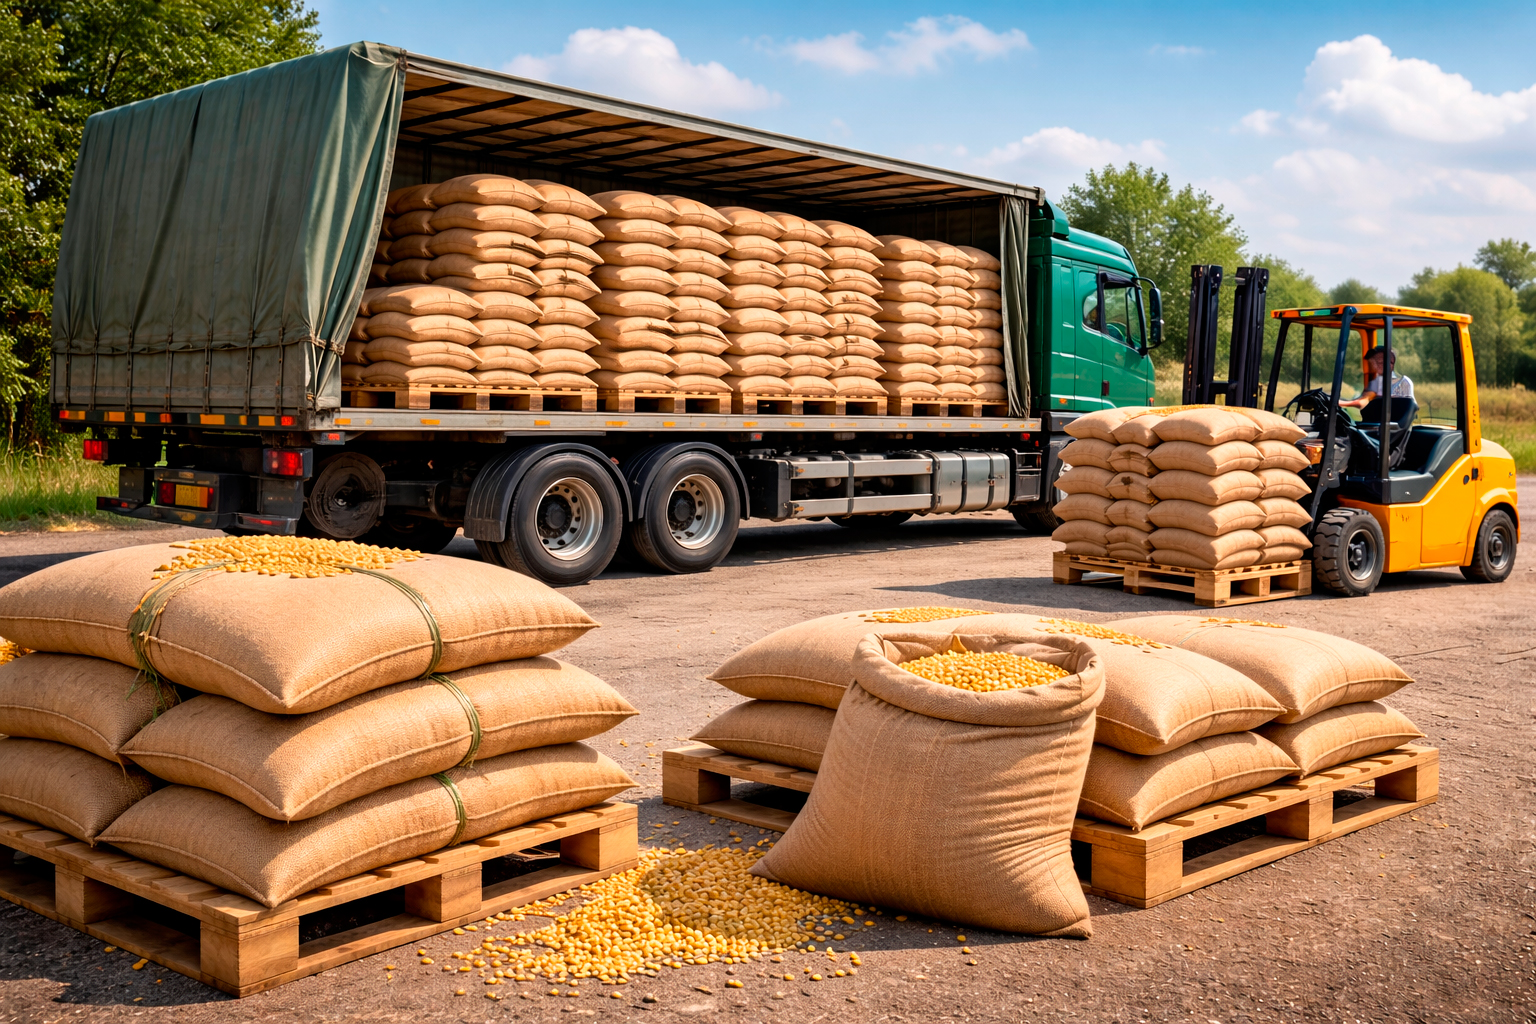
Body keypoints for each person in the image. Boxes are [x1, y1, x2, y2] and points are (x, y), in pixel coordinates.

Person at [1340, 345, 1413, 409]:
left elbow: (1363, 402)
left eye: (1379, 363)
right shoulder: (1375, 382)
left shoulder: (1403, 382)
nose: (1373, 367)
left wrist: (1340, 403)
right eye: (1371, 364)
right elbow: (1362, 400)